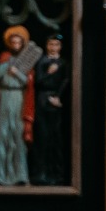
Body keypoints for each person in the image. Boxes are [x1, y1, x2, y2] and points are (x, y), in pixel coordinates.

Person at [0, 26, 35, 187]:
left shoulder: (26, 60)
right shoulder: (5, 58)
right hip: (5, 97)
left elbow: (28, 82)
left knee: (17, 135)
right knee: (2, 134)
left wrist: (17, 73)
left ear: (22, 44)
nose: (15, 45)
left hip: (18, 98)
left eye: (18, 42)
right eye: (13, 42)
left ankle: (20, 174)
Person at [30, 34, 69, 186]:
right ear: (47, 46)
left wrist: (58, 97)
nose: (53, 48)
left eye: (56, 45)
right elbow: (38, 81)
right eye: (51, 44)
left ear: (60, 47)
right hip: (42, 99)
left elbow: (66, 80)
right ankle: (40, 173)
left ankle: (56, 173)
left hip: (55, 100)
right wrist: (49, 74)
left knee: (55, 137)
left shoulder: (63, 63)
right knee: (42, 136)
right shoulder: (42, 62)